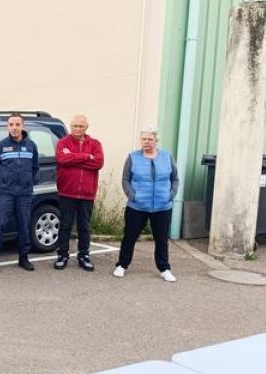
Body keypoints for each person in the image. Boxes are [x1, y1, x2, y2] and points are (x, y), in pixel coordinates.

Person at [113, 127, 179, 282]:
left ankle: (164, 268)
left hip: (162, 206)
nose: (146, 142)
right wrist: (132, 196)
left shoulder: (167, 156)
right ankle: (122, 265)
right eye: (143, 139)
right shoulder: (133, 157)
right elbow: (125, 179)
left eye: (150, 139)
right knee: (129, 236)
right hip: (137, 206)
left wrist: (171, 195)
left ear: (156, 140)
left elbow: (175, 178)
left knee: (162, 239)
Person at [0, 113, 39, 273]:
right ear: (7, 127)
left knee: (24, 226)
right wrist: (4, 183)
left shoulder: (31, 146)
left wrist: (29, 181)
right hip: (5, 193)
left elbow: (35, 167)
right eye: (11, 125)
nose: (14, 128)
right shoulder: (0, 147)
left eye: (17, 124)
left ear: (23, 126)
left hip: (24, 193)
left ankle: (23, 258)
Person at [54, 114, 104, 271]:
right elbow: (62, 159)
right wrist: (85, 157)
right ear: (71, 126)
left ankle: (84, 255)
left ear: (86, 127)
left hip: (87, 194)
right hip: (67, 192)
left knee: (84, 226)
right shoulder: (63, 142)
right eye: (75, 126)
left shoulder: (95, 144)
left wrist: (74, 158)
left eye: (81, 126)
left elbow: (98, 162)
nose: (78, 129)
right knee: (65, 225)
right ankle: (62, 255)